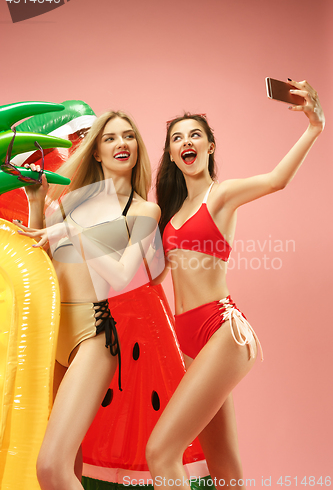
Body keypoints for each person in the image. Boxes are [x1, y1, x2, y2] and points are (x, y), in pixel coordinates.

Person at [145, 80, 325, 490]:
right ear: (172, 155)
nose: (185, 142)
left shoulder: (220, 196)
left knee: (161, 452)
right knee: (223, 469)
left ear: (209, 147)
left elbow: (278, 180)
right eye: (177, 138)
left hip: (221, 330)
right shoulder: (169, 214)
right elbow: (152, 276)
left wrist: (314, 127)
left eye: (195, 135)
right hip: (186, 340)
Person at [14, 111, 161, 490]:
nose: (121, 144)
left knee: (51, 467)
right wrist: (38, 203)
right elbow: (42, 261)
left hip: (92, 336)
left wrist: (76, 231)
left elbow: (124, 274)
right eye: (110, 138)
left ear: (137, 148)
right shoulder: (69, 204)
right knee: (67, 467)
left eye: (129, 136)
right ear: (96, 152)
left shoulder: (143, 210)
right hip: (52, 339)